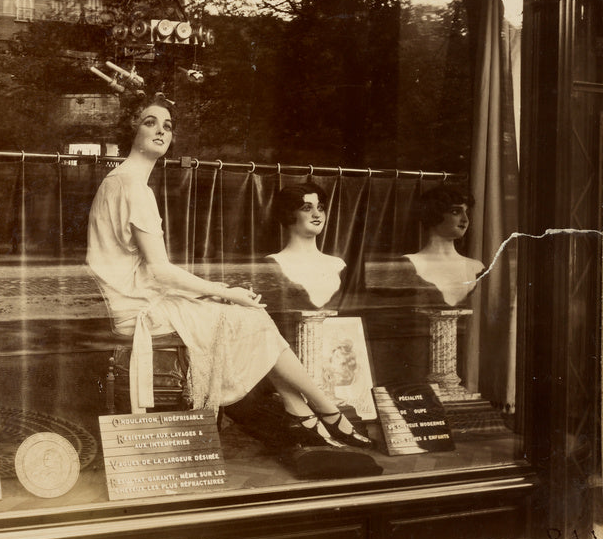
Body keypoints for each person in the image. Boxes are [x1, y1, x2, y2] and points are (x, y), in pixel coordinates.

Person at [86, 95, 371, 450]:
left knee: (248, 316)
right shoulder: (132, 187)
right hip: (137, 311)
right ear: (132, 130)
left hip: (135, 301)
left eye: (168, 126)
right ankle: (326, 412)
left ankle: (301, 409)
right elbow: (158, 271)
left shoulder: (120, 180)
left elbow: (148, 271)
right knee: (251, 316)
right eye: (150, 122)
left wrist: (214, 291)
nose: (161, 131)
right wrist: (224, 293)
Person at [266, 182, 346, 310]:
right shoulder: (274, 263)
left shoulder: (338, 264)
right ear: (289, 214)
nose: (317, 214)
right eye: (307, 208)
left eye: (320, 208)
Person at [404, 186, 485, 307]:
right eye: (455, 212)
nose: (465, 219)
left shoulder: (476, 267)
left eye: (466, 212)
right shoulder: (411, 263)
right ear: (434, 214)